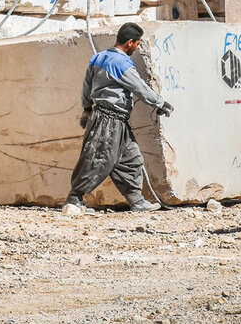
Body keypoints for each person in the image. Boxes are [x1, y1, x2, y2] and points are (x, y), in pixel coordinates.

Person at [63, 22, 175, 215]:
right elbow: (138, 87)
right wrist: (160, 103)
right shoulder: (121, 63)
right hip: (109, 121)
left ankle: (137, 201)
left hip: (115, 120)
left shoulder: (98, 58)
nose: (138, 48)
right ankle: (75, 199)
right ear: (129, 42)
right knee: (97, 159)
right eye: (137, 44)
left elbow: (87, 87)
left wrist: (87, 110)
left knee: (130, 160)